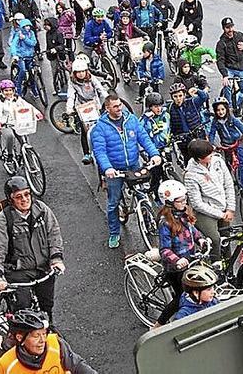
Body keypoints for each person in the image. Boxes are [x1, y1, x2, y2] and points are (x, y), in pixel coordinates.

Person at [0, 177, 65, 322]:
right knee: (22, 312)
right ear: (11, 200)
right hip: (18, 273)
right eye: (18, 197)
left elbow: (53, 233)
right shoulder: (4, 219)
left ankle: (47, 329)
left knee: (47, 307)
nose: (24, 199)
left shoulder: (41, 209)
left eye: (27, 194)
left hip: (43, 268)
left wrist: (56, 259)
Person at [90, 93, 162, 248]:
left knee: (142, 193)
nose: (119, 108)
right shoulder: (100, 128)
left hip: (133, 165)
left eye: (120, 105)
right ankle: (114, 233)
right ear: (107, 108)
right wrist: (107, 168)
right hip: (115, 170)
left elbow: (144, 138)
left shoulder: (131, 120)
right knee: (113, 202)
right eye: (115, 106)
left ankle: (147, 218)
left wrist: (154, 154)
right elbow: (100, 151)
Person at [153, 180, 207, 328]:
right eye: (180, 200)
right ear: (169, 202)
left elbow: (192, 231)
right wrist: (177, 260)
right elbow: (164, 250)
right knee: (182, 297)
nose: (184, 202)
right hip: (176, 267)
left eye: (185, 198)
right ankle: (158, 324)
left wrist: (201, 240)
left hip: (191, 260)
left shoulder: (184, 214)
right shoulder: (165, 223)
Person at [0, 309, 96, 374]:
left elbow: (77, 365)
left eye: (44, 334)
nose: (43, 340)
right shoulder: (5, 365)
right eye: (36, 336)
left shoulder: (55, 343)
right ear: (19, 337)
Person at [184, 139, 235, 260]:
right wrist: (221, 215)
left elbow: (228, 184)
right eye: (208, 155)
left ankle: (229, 265)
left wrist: (230, 208)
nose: (212, 156)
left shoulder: (218, 161)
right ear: (199, 159)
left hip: (223, 208)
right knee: (215, 239)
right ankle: (215, 264)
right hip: (204, 212)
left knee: (226, 238)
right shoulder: (190, 175)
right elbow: (197, 204)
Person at [0, 80, 44, 172]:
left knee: (24, 140)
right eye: (6, 90)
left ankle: (29, 159)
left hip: (18, 123)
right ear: (2, 91)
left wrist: (37, 112)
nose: (8, 93)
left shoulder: (17, 99)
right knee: (10, 136)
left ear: (13, 90)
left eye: (10, 90)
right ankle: (10, 157)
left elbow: (28, 106)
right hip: (5, 124)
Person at [66, 59, 108, 165]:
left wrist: (107, 98)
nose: (81, 74)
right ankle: (87, 153)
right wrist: (69, 108)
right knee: (85, 132)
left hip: (95, 106)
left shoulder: (91, 79)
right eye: (78, 72)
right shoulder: (72, 82)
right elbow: (71, 95)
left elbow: (100, 89)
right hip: (82, 108)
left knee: (102, 127)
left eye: (82, 71)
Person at [166, 82, 209, 162]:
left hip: (197, 135)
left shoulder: (192, 102)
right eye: (175, 96)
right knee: (189, 160)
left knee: (204, 156)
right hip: (183, 139)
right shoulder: (169, 108)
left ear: (184, 95)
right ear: (172, 97)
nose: (178, 99)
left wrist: (197, 90)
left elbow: (204, 97)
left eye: (180, 96)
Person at [215, 17, 243, 108]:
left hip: (241, 68)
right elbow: (220, 60)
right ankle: (229, 107)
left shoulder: (239, 35)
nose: (230, 30)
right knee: (227, 86)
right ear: (223, 29)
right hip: (229, 69)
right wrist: (225, 75)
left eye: (231, 27)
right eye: (227, 27)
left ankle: (238, 105)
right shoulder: (221, 43)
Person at [208, 96, 243, 164]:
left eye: (223, 109)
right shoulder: (215, 121)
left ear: (226, 109)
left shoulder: (231, 118)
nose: (221, 112)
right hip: (226, 145)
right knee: (228, 161)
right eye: (218, 110)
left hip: (237, 142)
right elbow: (212, 133)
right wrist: (211, 144)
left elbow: (242, 126)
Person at [9, 18, 39, 96]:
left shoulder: (31, 33)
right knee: (22, 70)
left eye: (28, 26)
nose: (28, 28)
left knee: (31, 74)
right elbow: (13, 45)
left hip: (30, 56)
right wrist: (15, 54)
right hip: (21, 56)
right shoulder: (18, 34)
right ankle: (18, 89)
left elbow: (33, 43)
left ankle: (34, 90)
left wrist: (25, 38)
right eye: (26, 26)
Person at [43, 17, 67, 95]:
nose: (45, 27)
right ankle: (56, 87)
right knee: (54, 71)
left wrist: (56, 49)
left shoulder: (58, 33)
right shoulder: (47, 33)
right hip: (52, 55)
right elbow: (48, 45)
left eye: (47, 25)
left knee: (63, 67)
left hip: (59, 54)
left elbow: (62, 45)